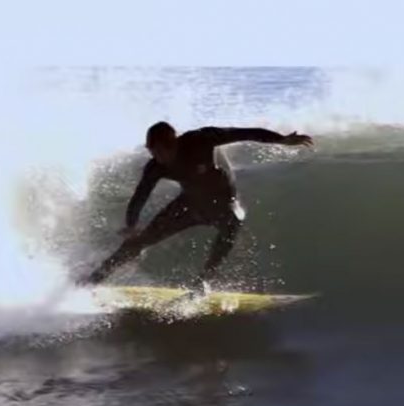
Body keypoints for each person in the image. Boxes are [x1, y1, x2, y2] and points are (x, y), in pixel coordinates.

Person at [79, 121, 313, 288]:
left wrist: (282, 140)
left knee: (232, 222)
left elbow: (245, 133)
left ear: (173, 144)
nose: (156, 157)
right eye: (151, 151)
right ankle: (94, 279)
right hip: (190, 204)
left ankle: (202, 283)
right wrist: (131, 225)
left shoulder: (201, 139)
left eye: (159, 151)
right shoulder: (155, 167)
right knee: (138, 241)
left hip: (223, 202)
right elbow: (139, 196)